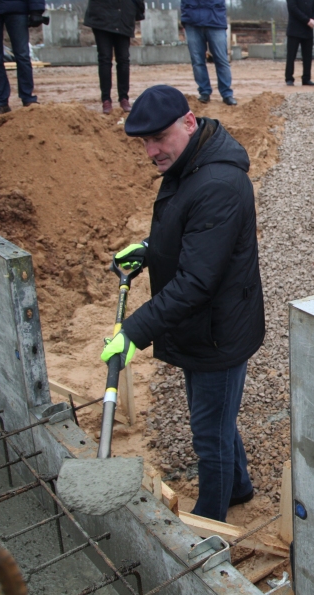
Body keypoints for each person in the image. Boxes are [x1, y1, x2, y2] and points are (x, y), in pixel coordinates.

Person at [104, 84, 265, 521]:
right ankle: (240, 487)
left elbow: (196, 281)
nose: (151, 151)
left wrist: (133, 332)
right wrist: (150, 249)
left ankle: (209, 520)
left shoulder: (217, 182)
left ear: (189, 122)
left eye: (159, 138)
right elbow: (193, 235)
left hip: (218, 330)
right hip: (206, 324)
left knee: (208, 433)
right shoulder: (192, 162)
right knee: (216, 418)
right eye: (144, 142)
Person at [284, 0, 314, 87]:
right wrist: (307, 20)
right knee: (291, 56)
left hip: (308, 31)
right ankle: (289, 78)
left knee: (307, 56)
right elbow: (293, 9)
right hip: (295, 30)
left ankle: (306, 78)